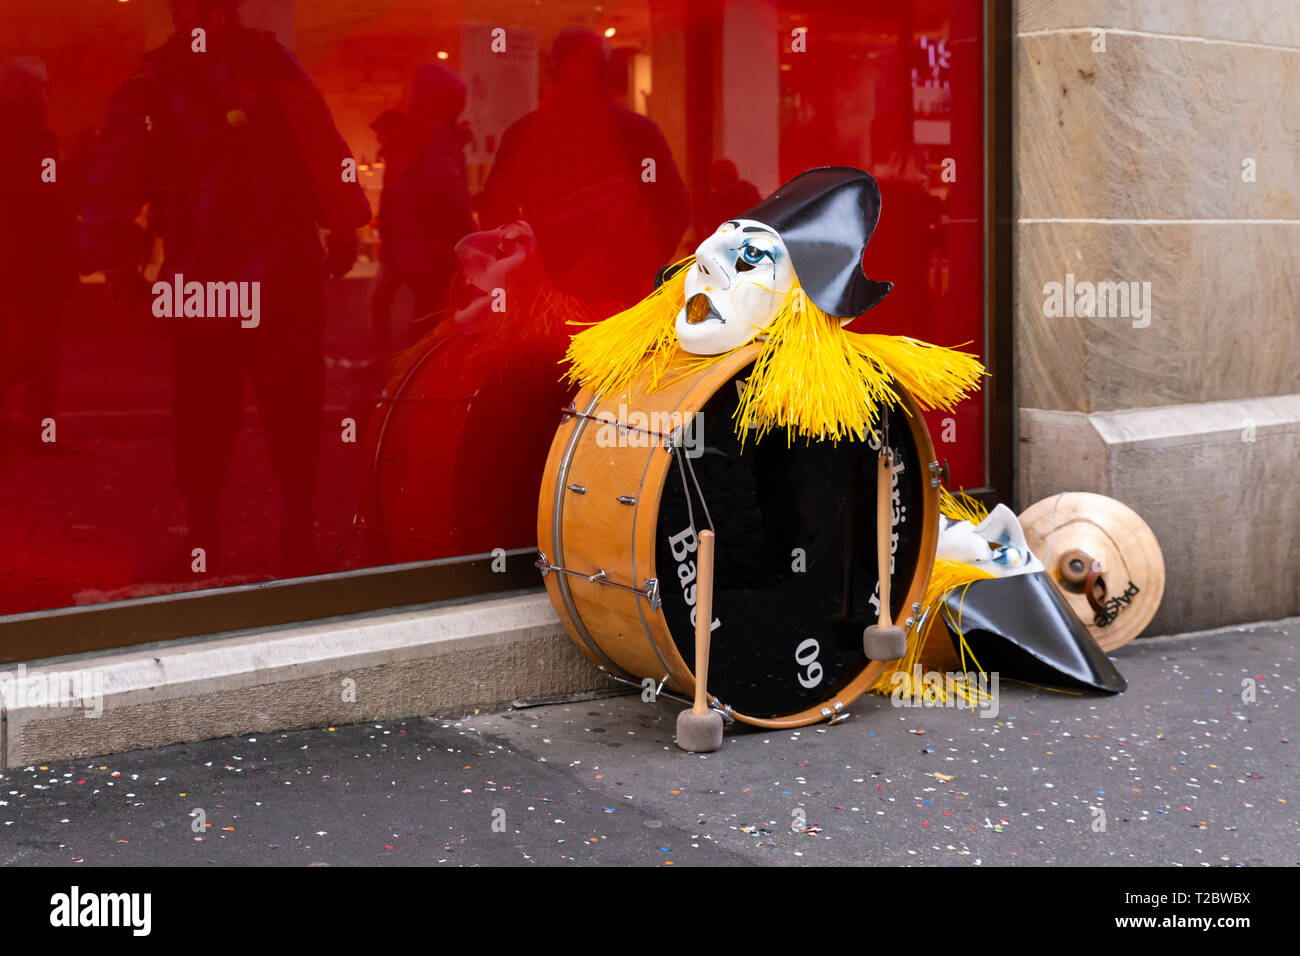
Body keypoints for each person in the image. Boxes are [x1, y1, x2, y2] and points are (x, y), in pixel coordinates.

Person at [79, 0, 370, 578]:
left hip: (210, 274)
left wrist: (117, 262)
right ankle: (285, 541)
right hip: (273, 268)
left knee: (212, 405)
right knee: (282, 403)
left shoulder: (157, 78)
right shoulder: (266, 65)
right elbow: (322, 142)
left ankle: (213, 544)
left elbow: (116, 169)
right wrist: (342, 222)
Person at [478, 26, 688, 310]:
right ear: (604, 70)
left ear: (553, 68)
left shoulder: (524, 133)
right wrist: (638, 266)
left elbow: (495, 215)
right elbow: (673, 208)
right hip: (617, 294)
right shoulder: (638, 132)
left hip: (546, 297)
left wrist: (522, 270)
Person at [368, 64, 476, 354]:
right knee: (433, 322)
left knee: (424, 316)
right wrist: (471, 241)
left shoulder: (406, 138)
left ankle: (396, 375)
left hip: (408, 249)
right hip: (436, 251)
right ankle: (409, 381)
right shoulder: (438, 141)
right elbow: (450, 197)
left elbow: (389, 197)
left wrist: (390, 244)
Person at [0, 56, 74, 465]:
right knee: (41, 352)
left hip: (7, 258)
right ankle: (42, 434)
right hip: (37, 261)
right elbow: (49, 197)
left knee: (16, 344)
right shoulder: (41, 140)